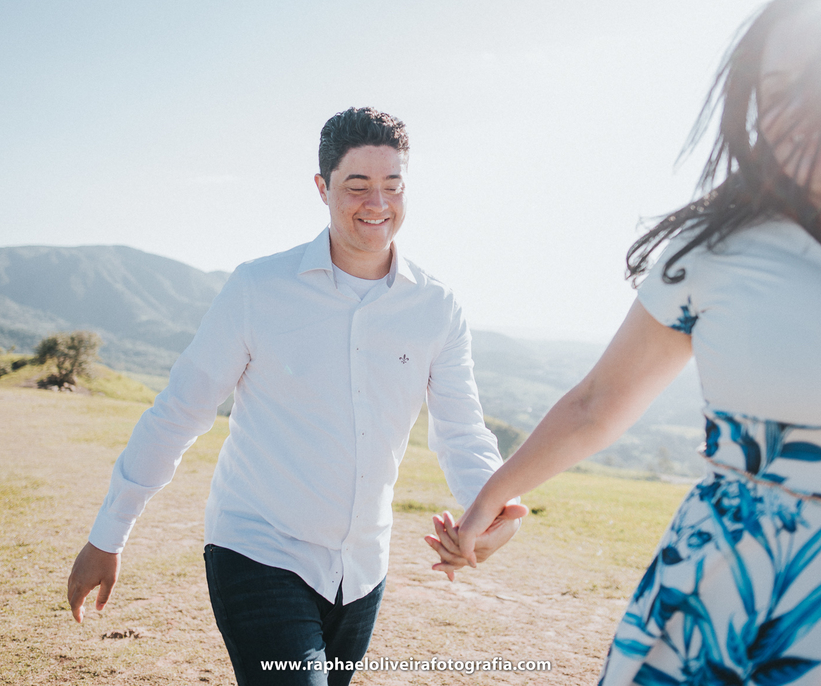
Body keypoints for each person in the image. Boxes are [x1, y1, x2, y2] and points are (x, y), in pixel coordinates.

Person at [441, 0, 821, 684]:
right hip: (726, 611)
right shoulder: (715, 250)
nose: (795, 114)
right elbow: (597, 404)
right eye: (777, 90)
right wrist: (488, 501)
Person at [66, 107, 525, 685]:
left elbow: (462, 431)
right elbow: (181, 410)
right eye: (357, 186)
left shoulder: (437, 308)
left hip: (362, 571)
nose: (377, 203)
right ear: (322, 188)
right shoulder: (258, 289)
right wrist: (109, 534)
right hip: (257, 551)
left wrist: (488, 514)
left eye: (392, 185)